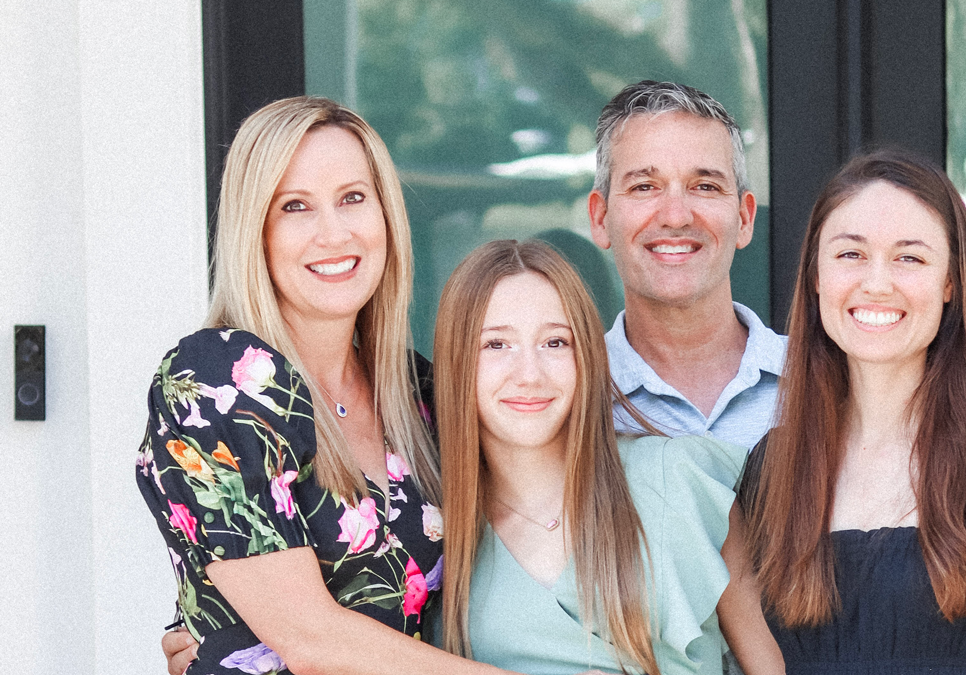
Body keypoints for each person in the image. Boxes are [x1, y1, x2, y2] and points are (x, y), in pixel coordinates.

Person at [139, 96, 574, 675]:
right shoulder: (213, 381)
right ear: (256, 231)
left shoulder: (417, 391)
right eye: (296, 206)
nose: (333, 232)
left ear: (386, 214)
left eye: (352, 198)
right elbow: (313, 642)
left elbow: (543, 500)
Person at [737, 149, 966, 674]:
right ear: (815, 278)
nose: (877, 282)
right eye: (850, 255)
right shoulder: (775, 468)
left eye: (910, 257)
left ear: (951, 282)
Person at [433, 239, 782, 675]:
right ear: (456, 360)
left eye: (555, 342)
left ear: (588, 356)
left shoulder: (676, 479)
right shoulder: (439, 533)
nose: (529, 374)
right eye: (496, 345)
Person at [588, 81, 785, 449]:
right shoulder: (566, 399)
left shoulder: (825, 384)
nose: (676, 216)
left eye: (705, 186)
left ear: (744, 219)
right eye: (644, 186)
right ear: (601, 219)